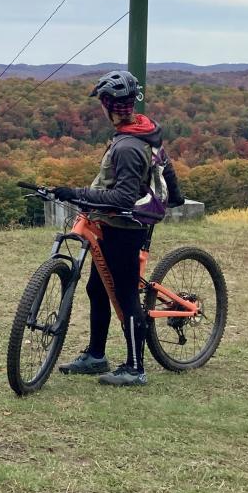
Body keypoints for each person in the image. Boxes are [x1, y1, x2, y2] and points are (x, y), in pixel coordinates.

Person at [51, 70, 184, 387]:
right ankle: (96, 356)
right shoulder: (142, 130)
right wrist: (175, 196)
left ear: (109, 106)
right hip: (110, 223)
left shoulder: (127, 146)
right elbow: (165, 163)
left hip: (124, 227)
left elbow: (123, 196)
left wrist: (79, 193)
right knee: (97, 288)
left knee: (125, 296)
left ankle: (136, 368)